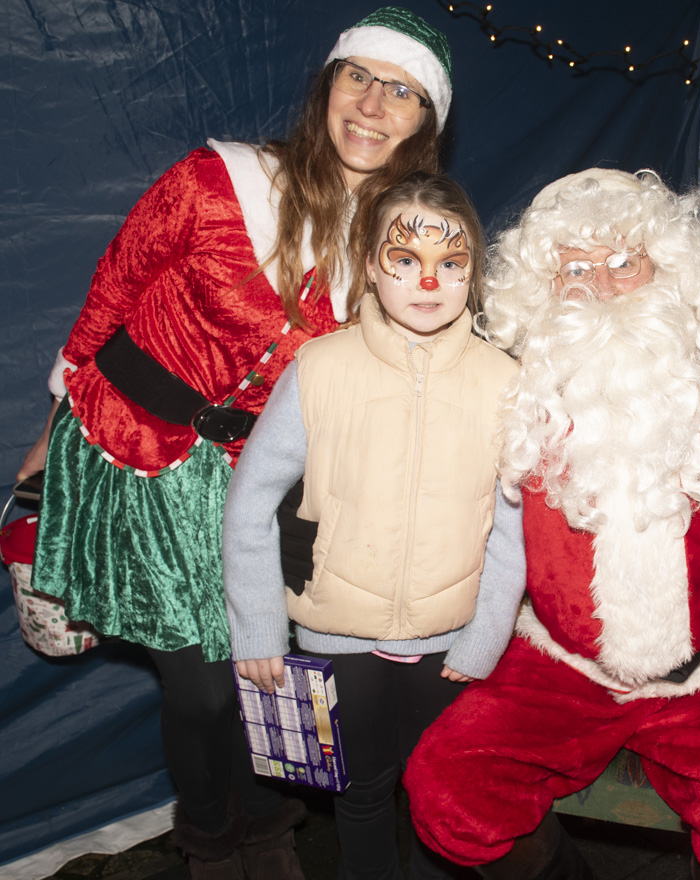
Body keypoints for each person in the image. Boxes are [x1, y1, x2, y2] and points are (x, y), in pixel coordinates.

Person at [19, 8, 453, 877]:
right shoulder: (218, 179)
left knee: (261, 672)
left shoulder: (402, 246)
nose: (373, 104)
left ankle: (266, 824)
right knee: (203, 685)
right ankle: (212, 839)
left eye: (401, 91)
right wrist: (48, 431)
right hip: (135, 452)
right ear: (327, 87)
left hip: (254, 481)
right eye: (358, 77)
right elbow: (113, 290)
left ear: (425, 123)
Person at [403, 168, 700, 880]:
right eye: (576, 268)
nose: (602, 283)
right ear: (543, 288)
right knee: (449, 792)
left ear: (669, 267)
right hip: (559, 668)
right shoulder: (512, 394)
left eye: (625, 261)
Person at [223, 171, 525, 880]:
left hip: (450, 642)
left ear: (474, 273)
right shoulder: (318, 368)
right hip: (337, 639)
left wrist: (485, 636)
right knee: (360, 794)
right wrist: (259, 627)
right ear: (368, 264)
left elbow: (512, 528)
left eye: (451, 262)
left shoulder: (506, 382)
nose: (429, 281)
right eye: (405, 259)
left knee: (437, 792)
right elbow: (251, 501)